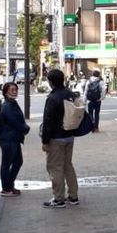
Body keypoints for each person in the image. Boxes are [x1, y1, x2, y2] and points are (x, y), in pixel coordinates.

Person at [41, 69, 80, 208]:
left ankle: (59, 198)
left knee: (55, 167)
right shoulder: (70, 94)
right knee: (68, 165)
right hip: (69, 135)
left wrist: (45, 141)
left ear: (51, 82)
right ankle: (73, 195)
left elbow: (48, 121)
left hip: (56, 137)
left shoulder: (52, 98)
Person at [0, 82, 28, 197]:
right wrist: (25, 128)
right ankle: (6, 188)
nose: (15, 91)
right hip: (8, 138)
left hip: (14, 138)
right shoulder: (7, 106)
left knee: (17, 161)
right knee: (7, 163)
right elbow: (14, 122)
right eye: (12, 90)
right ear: (6, 92)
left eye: (15, 89)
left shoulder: (12, 103)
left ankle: (9, 184)